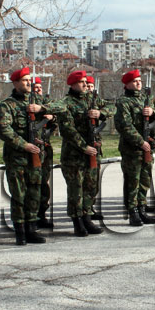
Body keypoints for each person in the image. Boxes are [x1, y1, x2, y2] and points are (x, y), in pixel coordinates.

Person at [0, 67, 48, 245]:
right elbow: (3, 130)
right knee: (19, 194)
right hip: (17, 157)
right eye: (24, 80)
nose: (28, 83)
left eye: (29, 80)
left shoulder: (38, 101)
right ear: (15, 83)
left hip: (36, 156)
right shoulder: (7, 105)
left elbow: (60, 109)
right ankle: (20, 231)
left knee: (34, 192)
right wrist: (24, 144)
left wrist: (45, 111)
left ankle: (32, 228)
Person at [114, 69, 155, 226]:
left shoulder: (148, 99)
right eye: (135, 81)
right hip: (132, 148)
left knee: (145, 180)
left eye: (140, 80)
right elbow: (124, 126)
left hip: (147, 147)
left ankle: (142, 208)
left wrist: (153, 111)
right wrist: (140, 142)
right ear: (127, 84)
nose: (139, 83)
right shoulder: (123, 102)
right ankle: (133, 212)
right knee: (133, 181)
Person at [53, 70, 104, 236]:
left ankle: (87, 217)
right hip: (74, 156)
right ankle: (77, 221)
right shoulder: (65, 103)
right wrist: (84, 147)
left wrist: (100, 113)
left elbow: (111, 107)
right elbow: (68, 130)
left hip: (91, 153)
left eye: (85, 81)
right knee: (76, 190)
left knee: (90, 187)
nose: (85, 84)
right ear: (73, 84)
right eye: (81, 82)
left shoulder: (91, 99)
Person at [84, 75, 114, 220]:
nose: (89, 88)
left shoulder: (97, 101)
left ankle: (90, 207)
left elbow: (112, 108)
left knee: (94, 181)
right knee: (82, 182)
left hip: (95, 146)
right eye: (87, 85)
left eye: (91, 86)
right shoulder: (79, 102)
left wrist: (100, 113)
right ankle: (83, 212)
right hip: (82, 146)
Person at [33, 77, 55, 229]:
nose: (39, 89)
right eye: (36, 87)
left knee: (44, 184)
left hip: (45, 150)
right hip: (32, 150)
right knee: (33, 185)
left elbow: (57, 119)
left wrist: (51, 117)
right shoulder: (27, 106)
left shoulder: (46, 105)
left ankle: (42, 214)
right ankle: (31, 217)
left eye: (40, 87)